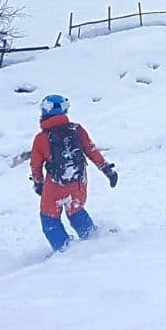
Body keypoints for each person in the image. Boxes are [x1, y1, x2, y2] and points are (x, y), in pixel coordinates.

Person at [30, 94, 118, 251]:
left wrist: (38, 183)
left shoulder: (41, 138)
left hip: (55, 186)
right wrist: (106, 169)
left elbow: (36, 165)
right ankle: (94, 239)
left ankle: (65, 250)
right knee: (76, 210)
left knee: (49, 219)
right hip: (78, 183)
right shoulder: (77, 130)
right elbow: (91, 150)